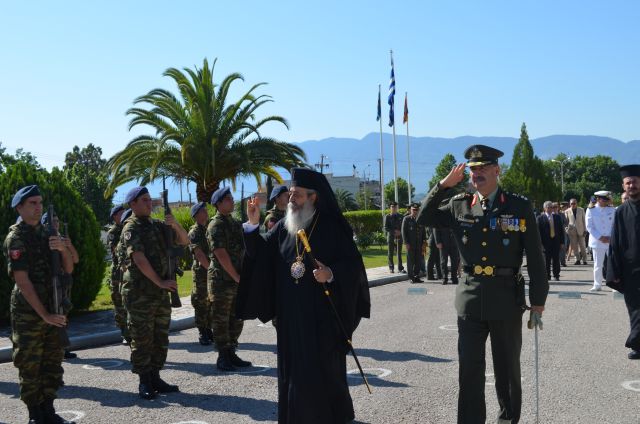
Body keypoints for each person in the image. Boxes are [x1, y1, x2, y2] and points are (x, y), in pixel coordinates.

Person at [417, 145, 548, 424]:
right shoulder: (459, 203)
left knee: (507, 371)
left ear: (497, 170)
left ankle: (507, 419)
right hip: (471, 298)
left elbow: (536, 257)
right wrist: (443, 186)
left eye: (483, 168)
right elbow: (423, 218)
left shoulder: (518, 206)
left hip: (506, 299)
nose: (477, 174)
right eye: (473, 170)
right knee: (470, 371)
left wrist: (538, 301)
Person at [238, 167, 371, 424]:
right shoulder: (284, 227)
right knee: (294, 376)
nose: (291, 200)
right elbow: (262, 254)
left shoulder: (332, 227)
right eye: (290, 195)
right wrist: (253, 225)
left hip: (322, 320)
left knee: (322, 374)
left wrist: (331, 273)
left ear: (314, 197)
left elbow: (353, 266)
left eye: (297, 195)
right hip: (290, 319)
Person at [4, 185, 76, 424]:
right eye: (32, 203)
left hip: (54, 307)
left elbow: (69, 268)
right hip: (29, 313)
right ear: (20, 208)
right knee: (31, 364)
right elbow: (22, 280)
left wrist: (63, 249)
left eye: (40, 203)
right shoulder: (16, 238)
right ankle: (36, 415)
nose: (38, 208)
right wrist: (44, 315)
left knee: (52, 361)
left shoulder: (48, 234)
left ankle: (49, 411)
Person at [119, 186, 189, 399]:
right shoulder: (131, 228)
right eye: (144, 200)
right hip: (140, 293)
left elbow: (185, 241)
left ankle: (155, 376)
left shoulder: (157, 225)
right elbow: (139, 259)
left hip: (159, 292)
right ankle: (144, 381)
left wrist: (175, 224)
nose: (150, 204)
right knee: (142, 338)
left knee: (160, 336)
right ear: (132, 204)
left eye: (150, 200)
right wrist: (160, 282)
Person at [207, 187, 251, 371]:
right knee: (221, 318)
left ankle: (231, 351)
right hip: (222, 281)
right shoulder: (215, 225)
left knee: (237, 317)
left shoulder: (235, 224)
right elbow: (220, 253)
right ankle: (222, 356)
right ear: (218, 203)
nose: (232, 201)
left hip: (237, 279)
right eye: (228, 199)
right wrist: (236, 277)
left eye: (232, 198)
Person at [606, 165, 640, 360]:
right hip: (630, 269)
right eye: (628, 183)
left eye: (634, 181)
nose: (631, 185)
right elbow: (615, 243)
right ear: (623, 185)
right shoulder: (620, 212)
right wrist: (614, 270)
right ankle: (638, 345)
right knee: (635, 308)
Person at [41, 212, 80, 362]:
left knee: (64, 312)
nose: (56, 224)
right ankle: (52, 348)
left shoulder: (63, 240)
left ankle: (63, 348)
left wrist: (68, 246)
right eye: (53, 221)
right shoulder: (44, 240)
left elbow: (75, 259)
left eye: (57, 221)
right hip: (50, 283)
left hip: (64, 281)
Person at [188, 202, 212, 346]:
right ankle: (202, 332)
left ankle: (209, 330)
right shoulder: (194, 232)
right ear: (196, 215)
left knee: (209, 302)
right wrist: (211, 269)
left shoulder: (207, 229)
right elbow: (199, 254)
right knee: (201, 302)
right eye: (203, 210)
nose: (206, 212)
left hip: (209, 270)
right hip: (202, 273)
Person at [106, 205, 129, 344]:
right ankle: (125, 332)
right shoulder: (114, 232)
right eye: (120, 213)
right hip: (118, 271)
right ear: (115, 216)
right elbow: (117, 251)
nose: (124, 214)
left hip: (130, 267)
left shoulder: (128, 227)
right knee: (119, 302)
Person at [585, 190, 615, 291]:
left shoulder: (612, 210)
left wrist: (610, 237)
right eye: (604, 200)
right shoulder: (591, 210)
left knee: (613, 263)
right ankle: (597, 284)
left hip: (610, 240)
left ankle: (614, 285)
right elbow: (589, 226)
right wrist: (601, 237)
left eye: (607, 200)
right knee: (598, 264)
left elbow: (615, 225)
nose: (607, 202)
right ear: (598, 199)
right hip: (597, 241)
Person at [536, 201, 565, 281]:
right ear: (544, 208)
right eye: (548, 207)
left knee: (556, 259)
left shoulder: (557, 217)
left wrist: (562, 242)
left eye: (551, 207)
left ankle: (556, 275)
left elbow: (561, 231)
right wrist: (540, 244)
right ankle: (547, 275)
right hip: (545, 243)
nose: (550, 209)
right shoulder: (540, 218)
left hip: (556, 242)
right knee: (546, 260)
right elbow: (538, 233)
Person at [402, 203, 424, 283]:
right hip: (410, 244)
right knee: (410, 261)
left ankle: (416, 276)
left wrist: (423, 243)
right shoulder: (407, 219)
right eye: (413, 210)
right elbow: (403, 232)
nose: (415, 211)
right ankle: (411, 277)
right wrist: (406, 243)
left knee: (418, 261)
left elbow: (423, 232)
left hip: (419, 244)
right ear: (410, 210)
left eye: (416, 210)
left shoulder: (420, 219)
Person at [383, 201, 405, 273]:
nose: (394, 208)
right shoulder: (388, 217)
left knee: (399, 253)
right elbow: (386, 228)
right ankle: (391, 267)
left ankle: (400, 267)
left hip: (399, 237)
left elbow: (403, 227)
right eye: (392, 207)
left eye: (395, 207)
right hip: (391, 237)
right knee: (390, 253)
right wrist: (394, 231)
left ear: (397, 208)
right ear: (390, 208)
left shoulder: (401, 216)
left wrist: (400, 232)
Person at [564, 198, 587, 265]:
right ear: (570, 204)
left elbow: (584, 221)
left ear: (577, 204)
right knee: (575, 247)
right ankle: (577, 259)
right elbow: (566, 222)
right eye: (571, 203)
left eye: (574, 203)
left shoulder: (581, 210)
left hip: (581, 230)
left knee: (582, 246)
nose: (573, 205)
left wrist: (585, 230)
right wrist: (566, 230)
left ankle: (585, 260)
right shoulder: (567, 211)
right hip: (572, 231)